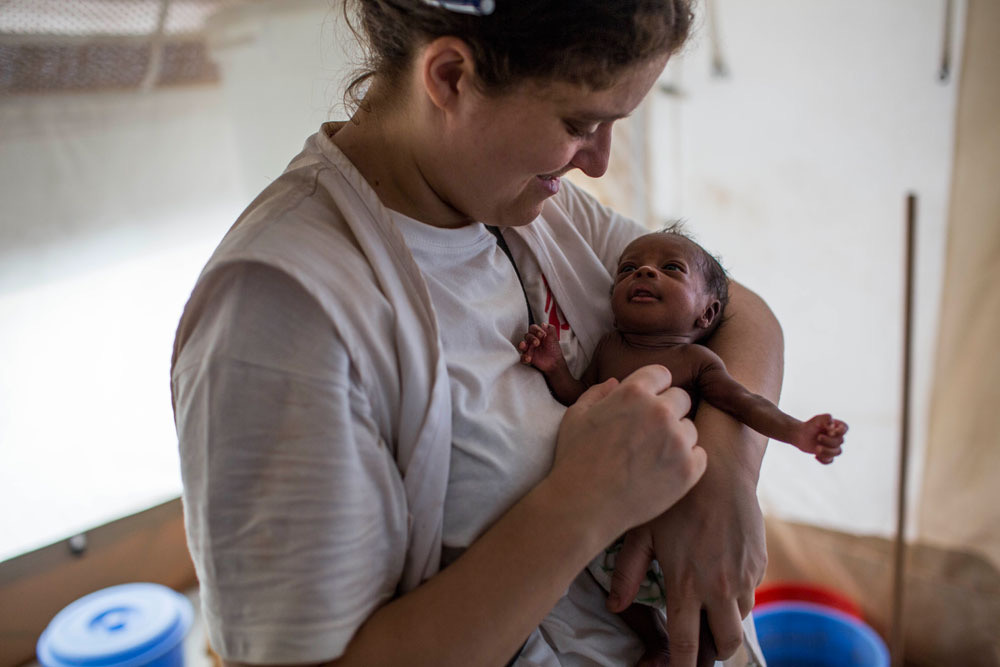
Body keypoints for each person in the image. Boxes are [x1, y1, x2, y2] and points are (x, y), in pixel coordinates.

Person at [170, 1, 783, 665]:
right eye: (580, 124)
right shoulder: (282, 305)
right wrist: (586, 504)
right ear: (451, 77)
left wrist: (723, 470)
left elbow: (743, 314)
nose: (599, 162)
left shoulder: (531, 204)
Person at [519, 227, 847, 665]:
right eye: (628, 269)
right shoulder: (609, 348)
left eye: (670, 268)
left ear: (706, 314)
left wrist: (798, 432)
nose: (644, 272)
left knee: (702, 607)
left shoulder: (697, 362)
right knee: (615, 587)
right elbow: (579, 395)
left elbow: (746, 404)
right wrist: (555, 366)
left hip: (681, 510)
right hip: (617, 509)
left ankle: (700, 657)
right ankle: (656, 641)